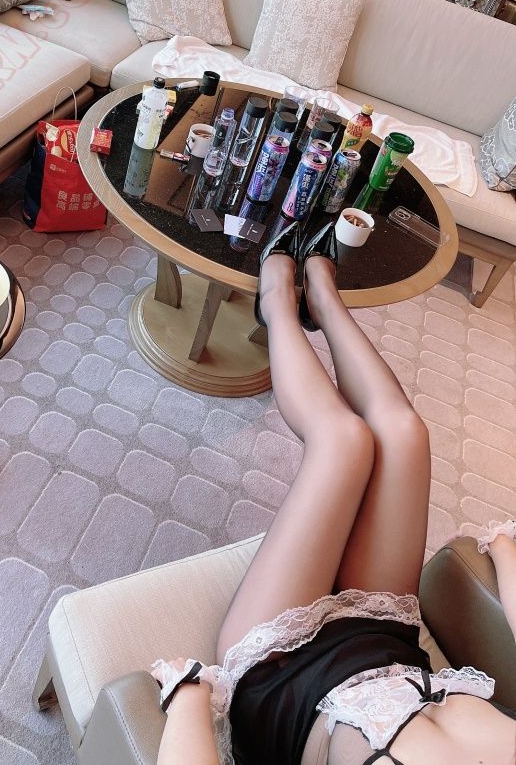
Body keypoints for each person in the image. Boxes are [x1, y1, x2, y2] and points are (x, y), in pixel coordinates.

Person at [151, 220, 516, 765]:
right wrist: (504, 548)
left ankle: (277, 303)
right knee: (404, 435)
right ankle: (324, 298)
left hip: (279, 678)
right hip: (384, 640)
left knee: (343, 441)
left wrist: (187, 696)